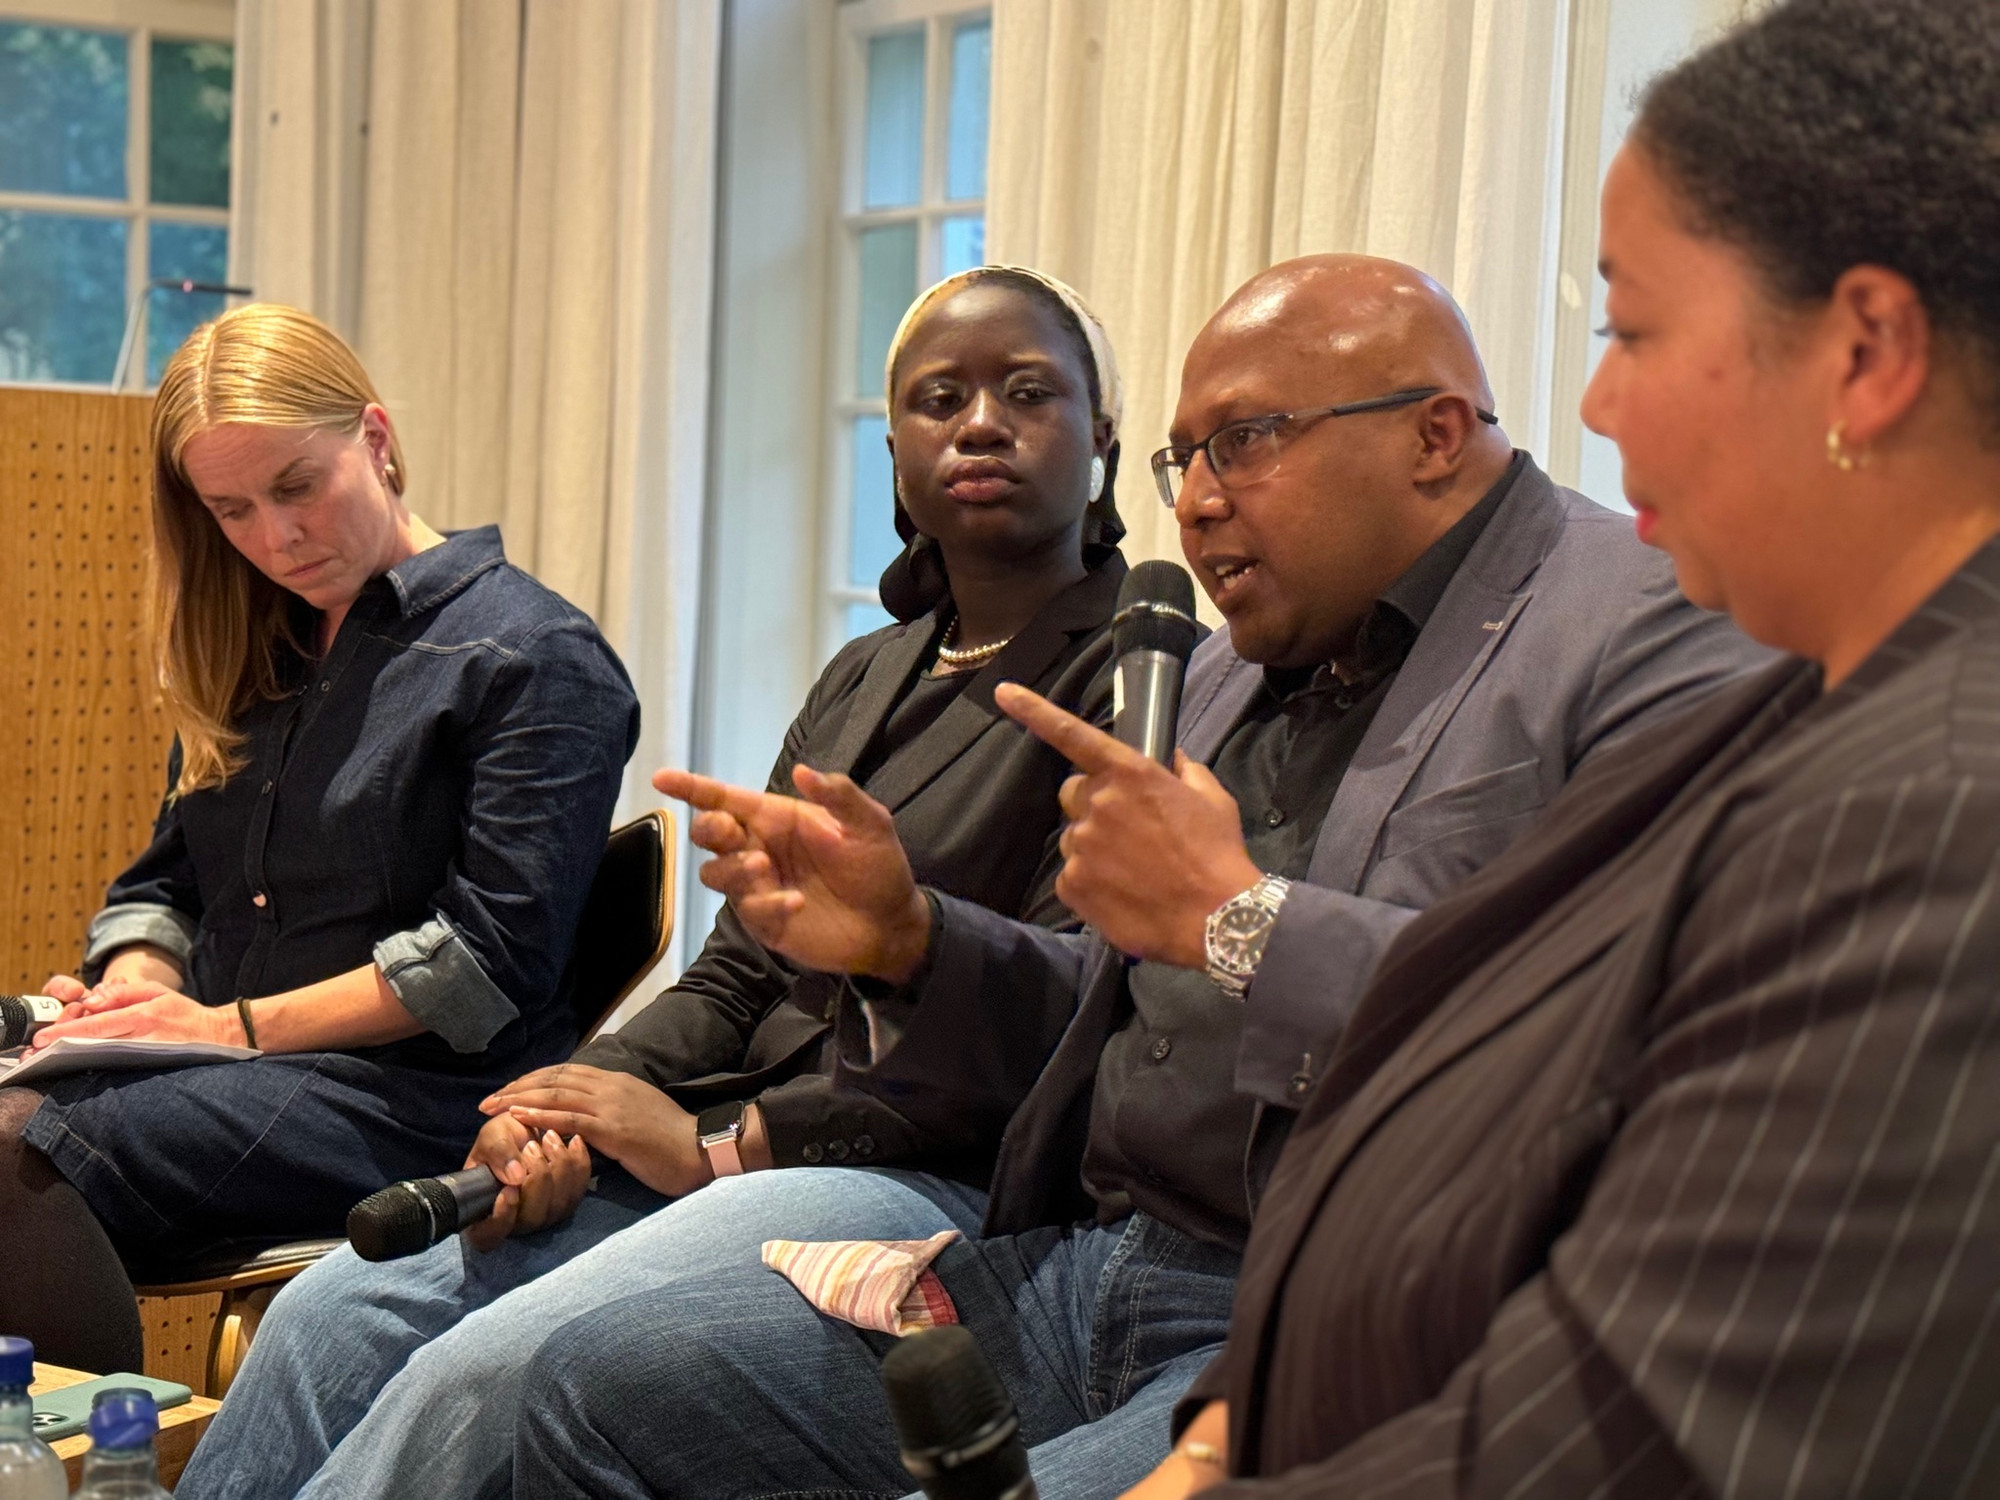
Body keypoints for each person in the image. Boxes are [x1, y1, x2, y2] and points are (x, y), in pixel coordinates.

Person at [506, 256, 1775, 1498]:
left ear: (1433, 436)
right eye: (1184, 460)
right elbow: (1096, 1014)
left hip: (1330, 1321)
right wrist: (908, 942)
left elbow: (1616, 1034)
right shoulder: (1217, 671)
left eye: (1244, 442)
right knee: (586, 1388)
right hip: (1086, 1269)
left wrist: (1241, 920)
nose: (1198, 502)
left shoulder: (1642, 628)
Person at [1111, 1, 2000, 1494]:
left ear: (1864, 353)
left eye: (1633, 333)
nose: (1594, 400)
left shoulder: (1940, 809)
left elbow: (1646, 1426)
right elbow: (1498, 1096)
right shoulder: (1798, 707)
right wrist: (1232, 1411)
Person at [175, 266, 1134, 1500]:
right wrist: (571, 1102)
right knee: (334, 1310)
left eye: (1028, 392)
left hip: (923, 1172)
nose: (981, 423)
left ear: (1102, 437)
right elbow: (735, 974)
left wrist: (718, 1146)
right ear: (892, 447)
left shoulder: (1142, 676)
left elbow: (1065, 1041)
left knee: (488, 1370)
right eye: (939, 398)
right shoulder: (864, 675)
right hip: (729, 1136)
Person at [0, 304, 639, 1373]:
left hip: (416, 1098)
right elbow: (163, 889)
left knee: (14, 1152)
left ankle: (100, 1455)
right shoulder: (256, 643)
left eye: (296, 487)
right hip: (215, 1069)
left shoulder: (534, 656)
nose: (274, 538)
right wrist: (131, 997)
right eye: (231, 510)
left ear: (376, 441)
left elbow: (482, 969)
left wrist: (222, 1028)